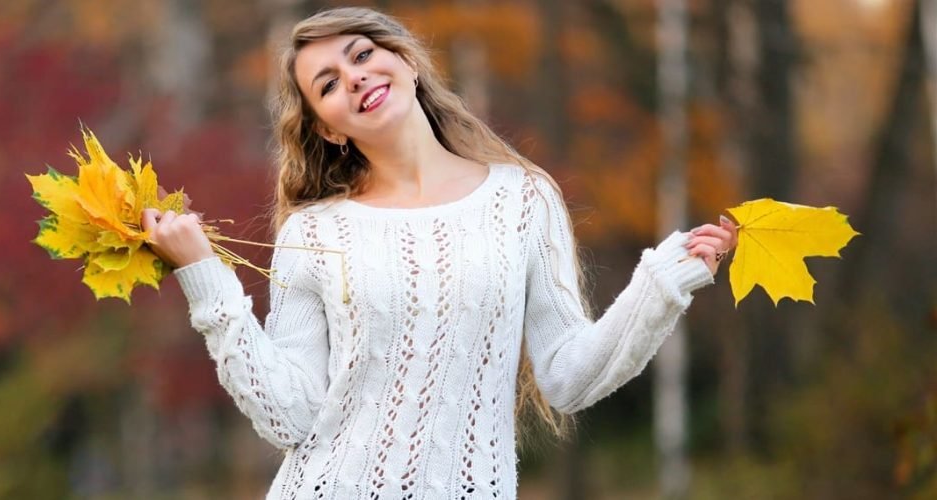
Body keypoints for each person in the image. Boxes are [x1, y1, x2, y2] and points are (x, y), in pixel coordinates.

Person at [139, 6, 736, 499]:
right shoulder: (314, 232)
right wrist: (202, 273)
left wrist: (661, 286)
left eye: (362, 54)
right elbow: (289, 416)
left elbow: (567, 378)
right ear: (328, 128)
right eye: (326, 83)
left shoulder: (524, 198)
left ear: (405, 61)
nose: (353, 77)